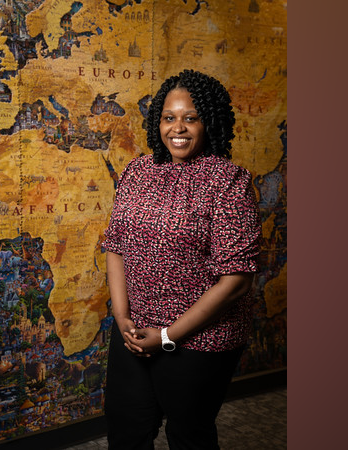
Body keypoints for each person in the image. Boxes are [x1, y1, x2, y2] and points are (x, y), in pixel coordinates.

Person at [101, 69, 262, 449]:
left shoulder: (228, 182)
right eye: (168, 117)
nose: (178, 128)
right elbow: (116, 246)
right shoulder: (137, 171)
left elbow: (236, 280)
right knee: (126, 432)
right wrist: (122, 318)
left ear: (210, 122)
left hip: (201, 340)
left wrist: (167, 336)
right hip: (134, 331)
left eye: (191, 118)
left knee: (189, 437)